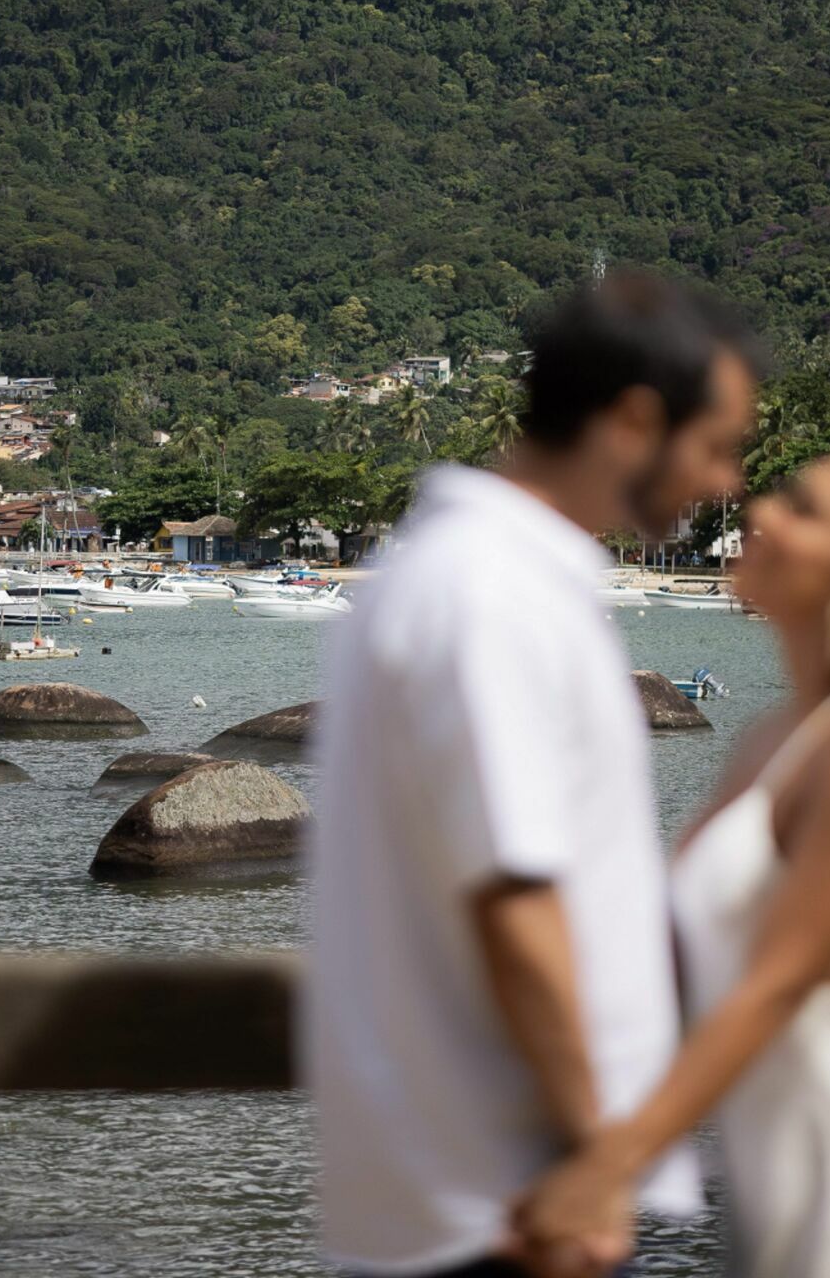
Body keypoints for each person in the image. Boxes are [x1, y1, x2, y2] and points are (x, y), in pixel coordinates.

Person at [305, 271, 760, 1278]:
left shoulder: (479, 576)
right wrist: (601, 1154)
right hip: (515, 1205)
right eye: (718, 446)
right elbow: (515, 896)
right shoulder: (493, 593)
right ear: (636, 421)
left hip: (492, 1191)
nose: (728, 482)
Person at [510, 453, 830, 1277]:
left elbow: (776, 984)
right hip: (776, 1200)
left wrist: (610, 1165)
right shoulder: (778, 737)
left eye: (801, 507)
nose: (762, 506)